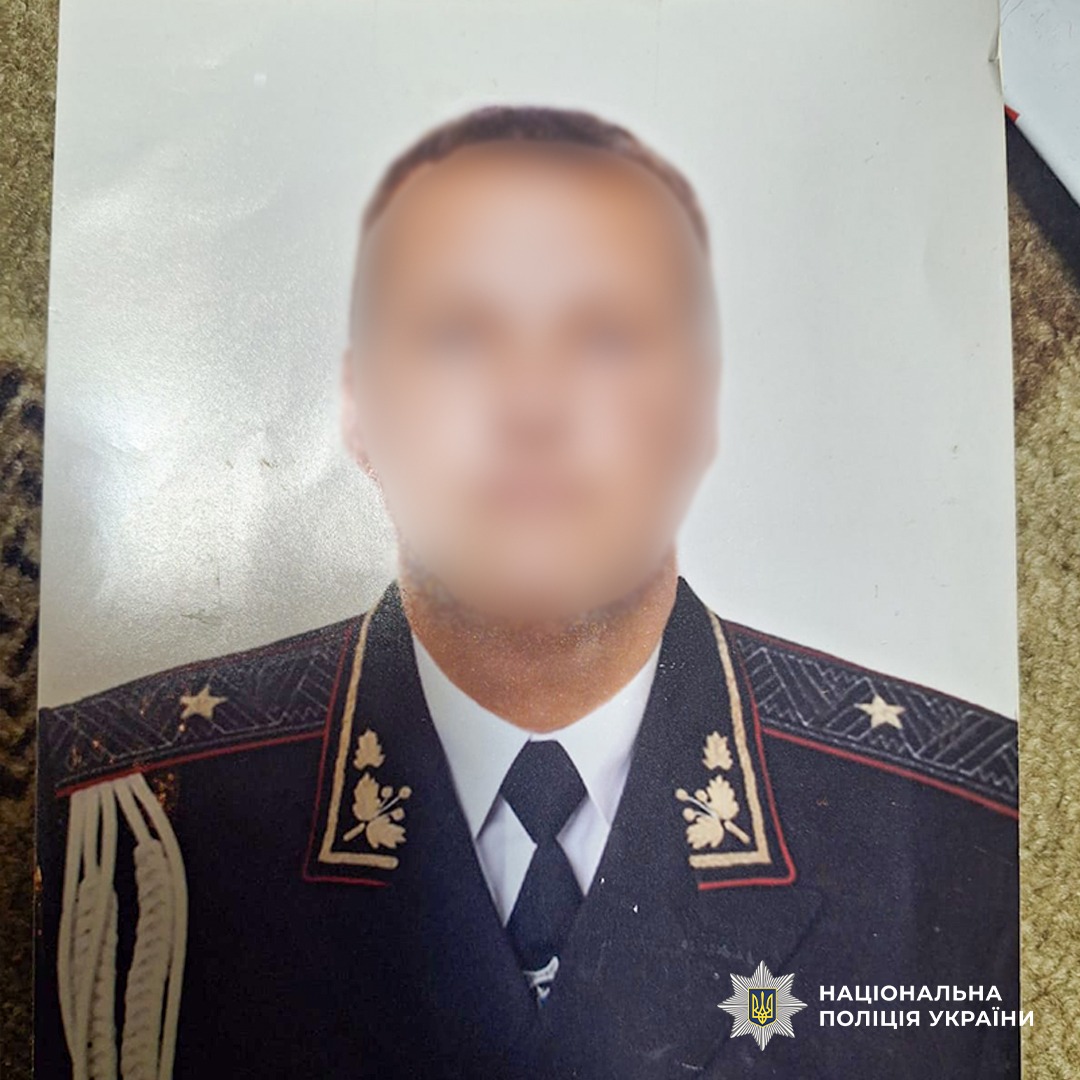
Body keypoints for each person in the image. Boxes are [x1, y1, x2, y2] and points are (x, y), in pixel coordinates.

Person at [35, 105, 1019, 1079]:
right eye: (459, 336)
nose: (534, 405)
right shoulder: (118, 824)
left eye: (607, 337)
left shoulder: (966, 837)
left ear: (698, 406)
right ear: (360, 410)